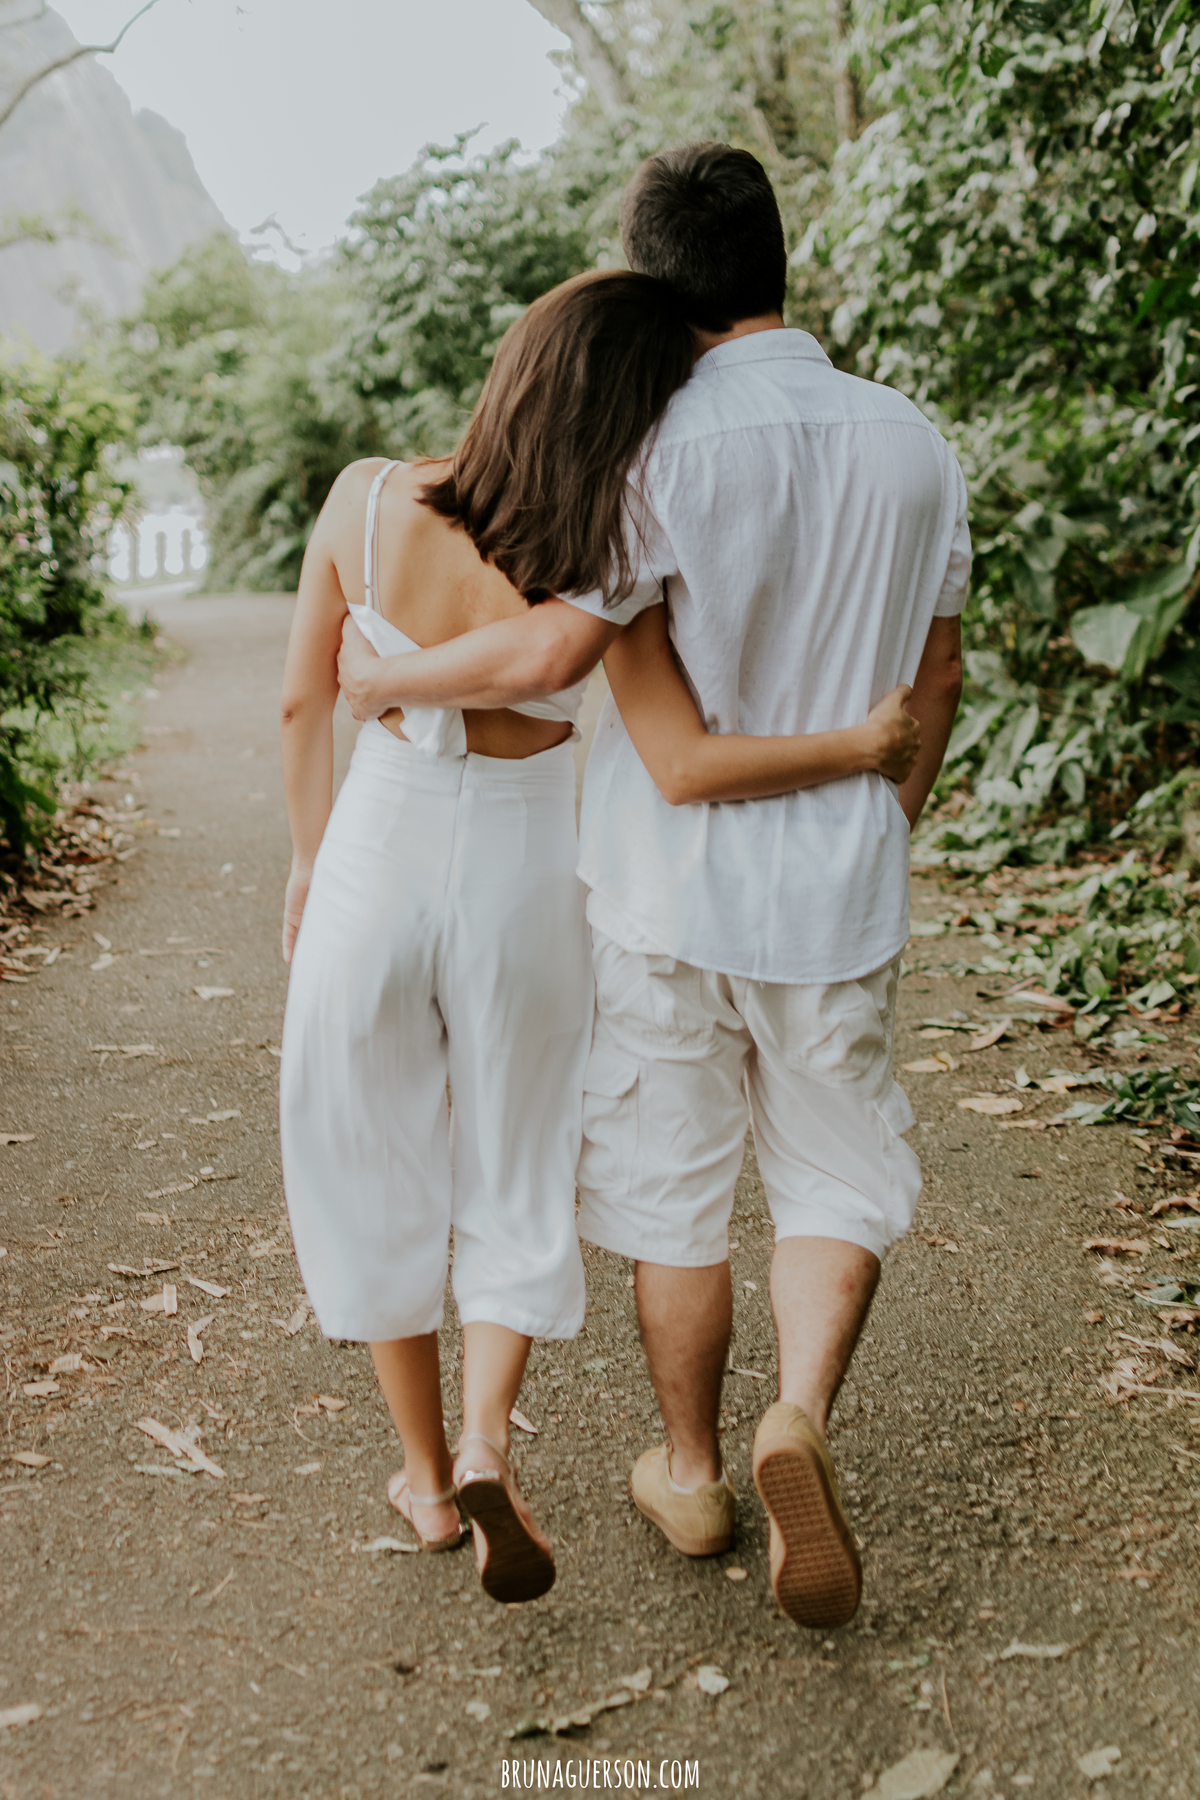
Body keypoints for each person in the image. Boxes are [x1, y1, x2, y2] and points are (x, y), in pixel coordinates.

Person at [335, 144, 968, 1632]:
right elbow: (936, 670)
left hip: (665, 889)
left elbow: (559, 653)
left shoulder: (653, 448)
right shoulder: (914, 441)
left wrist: (385, 676)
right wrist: (887, 819)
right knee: (834, 1168)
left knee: (674, 1195)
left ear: (653, 280)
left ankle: (688, 1471)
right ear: (779, 263)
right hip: (838, 885)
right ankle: (798, 1413)